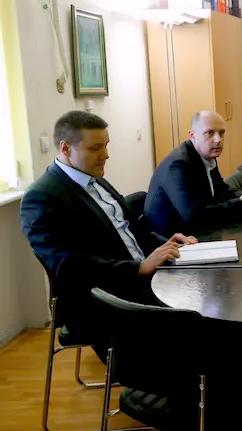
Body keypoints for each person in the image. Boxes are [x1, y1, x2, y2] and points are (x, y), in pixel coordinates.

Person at [20, 111, 197, 356]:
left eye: (106, 145)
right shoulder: (41, 197)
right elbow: (69, 266)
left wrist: (168, 246)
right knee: (199, 318)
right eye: (96, 148)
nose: (105, 155)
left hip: (141, 277)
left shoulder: (95, 179)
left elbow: (134, 230)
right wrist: (138, 268)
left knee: (208, 290)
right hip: (105, 297)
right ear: (65, 148)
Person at [144, 110, 242, 237]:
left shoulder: (206, 156)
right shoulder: (177, 165)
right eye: (210, 133)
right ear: (192, 135)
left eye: (221, 133)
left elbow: (221, 192)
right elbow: (195, 218)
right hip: (172, 240)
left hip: (196, 232)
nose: (218, 140)